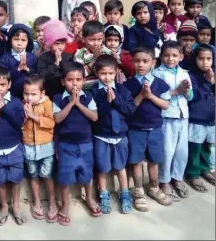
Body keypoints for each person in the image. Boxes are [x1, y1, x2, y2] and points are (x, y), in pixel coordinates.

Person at [53, 62, 102, 226]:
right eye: (70, 80)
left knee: (87, 174)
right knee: (65, 177)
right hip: (66, 145)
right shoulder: (58, 98)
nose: (74, 83)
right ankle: (65, 205)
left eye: (78, 79)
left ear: (84, 81)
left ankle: (89, 198)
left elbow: (94, 117)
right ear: (63, 82)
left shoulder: (87, 97)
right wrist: (71, 103)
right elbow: (57, 119)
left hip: (86, 143)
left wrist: (79, 104)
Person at [124, 47, 172, 212]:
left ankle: (154, 187)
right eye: (137, 61)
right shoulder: (128, 85)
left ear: (153, 62)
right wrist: (141, 96)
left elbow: (165, 105)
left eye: (145, 61)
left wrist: (151, 96)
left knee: (154, 160)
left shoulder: (159, 83)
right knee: (136, 160)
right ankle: (138, 192)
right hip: (136, 130)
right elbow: (129, 108)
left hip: (155, 129)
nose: (140, 65)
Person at [91, 55, 136, 214]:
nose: (107, 77)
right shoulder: (94, 91)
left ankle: (124, 193)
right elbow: (94, 114)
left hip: (120, 136)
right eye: (103, 74)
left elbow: (131, 110)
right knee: (102, 168)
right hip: (101, 136)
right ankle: (103, 194)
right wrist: (107, 102)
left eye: (110, 73)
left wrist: (116, 100)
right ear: (97, 73)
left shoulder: (122, 90)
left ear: (116, 72)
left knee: (120, 167)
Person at [0, 68, 27, 226]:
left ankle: (15, 206)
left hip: (14, 148)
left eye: (2, 85)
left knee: (15, 180)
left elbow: (18, 123)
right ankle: (4, 206)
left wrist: (5, 107)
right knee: (0, 181)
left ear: (9, 84)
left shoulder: (16, 102)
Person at [153, 41, 193, 202]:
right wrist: (177, 91)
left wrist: (186, 90)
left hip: (183, 116)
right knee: (167, 150)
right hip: (167, 116)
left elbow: (190, 97)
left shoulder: (184, 73)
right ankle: (165, 181)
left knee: (182, 151)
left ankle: (177, 177)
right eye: (167, 55)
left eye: (175, 55)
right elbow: (158, 96)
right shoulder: (158, 73)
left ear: (181, 57)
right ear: (161, 57)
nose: (171, 59)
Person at [22, 75, 58, 222]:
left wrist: (33, 116)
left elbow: (51, 123)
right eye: (26, 93)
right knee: (33, 175)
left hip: (46, 147)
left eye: (33, 94)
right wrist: (25, 116)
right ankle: (36, 201)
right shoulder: (22, 105)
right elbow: (19, 125)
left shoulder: (48, 104)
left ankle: (52, 201)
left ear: (42, 94)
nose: (29, 97)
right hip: (29, 146)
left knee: (47, 176)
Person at [185, 45, 215, 191]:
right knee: (195, 148)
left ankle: (205, 169)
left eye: (209, 59)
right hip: (196, 118)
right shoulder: (191, 76)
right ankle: (193, 173)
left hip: (211, 118)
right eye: (201, 58)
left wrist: (212, 82)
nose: (205, 62)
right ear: (195, 59)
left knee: (206, 147)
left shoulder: (213, 74)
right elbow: (192, 97)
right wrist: (206, 83)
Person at [0, 24, 37, 99]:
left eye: (23, 40)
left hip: (29, 96)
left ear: (28, 42)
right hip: (11, 95)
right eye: (16, 39)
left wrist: (28, 69)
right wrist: (17, 69)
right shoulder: (5, 58)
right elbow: (3, 76)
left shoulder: (32, 57)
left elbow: (37, 74)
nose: (19, 43)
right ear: (10, 40)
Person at [37, 19, 72, 98]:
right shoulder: (43, 58)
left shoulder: (69, 56)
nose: (60, 47)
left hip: (65, 94)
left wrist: (61, 62)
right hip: (49, 94)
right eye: (56, 44)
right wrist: (55, 64)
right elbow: (41, 76)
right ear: (50, 43)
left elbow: (69, 73)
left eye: (63, 43)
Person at [74, 20, 111, 90]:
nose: (96, 43)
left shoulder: (107, 52)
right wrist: (94, 60)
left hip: (104, 89)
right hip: (86, 90)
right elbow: (78, 74)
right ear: (83, 39)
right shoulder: (80, 54)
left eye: (99, 39)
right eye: (92, 40)